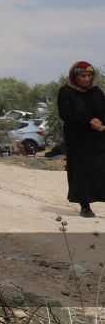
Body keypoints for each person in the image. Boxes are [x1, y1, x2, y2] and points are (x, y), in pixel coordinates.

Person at [58, 61, 105, 218]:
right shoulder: (66, 92)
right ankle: (85, 206)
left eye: (89, 76)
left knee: (100, 168)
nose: (86, 79)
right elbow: (66, 114)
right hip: (77, 139)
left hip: (98, 136)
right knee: (82, 170)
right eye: (83, 76)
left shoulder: (96, 91)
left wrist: (101, 122)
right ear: (75, 76)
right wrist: (88, 121)